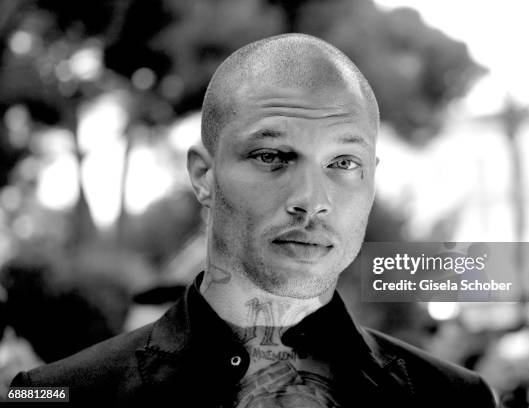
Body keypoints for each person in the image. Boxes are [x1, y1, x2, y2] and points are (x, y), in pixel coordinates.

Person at [10, 33, 497, 407]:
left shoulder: (454, 398)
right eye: (272, 156)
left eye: (344, 163)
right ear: (204, 175)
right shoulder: (56, 395)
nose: (311, 199)